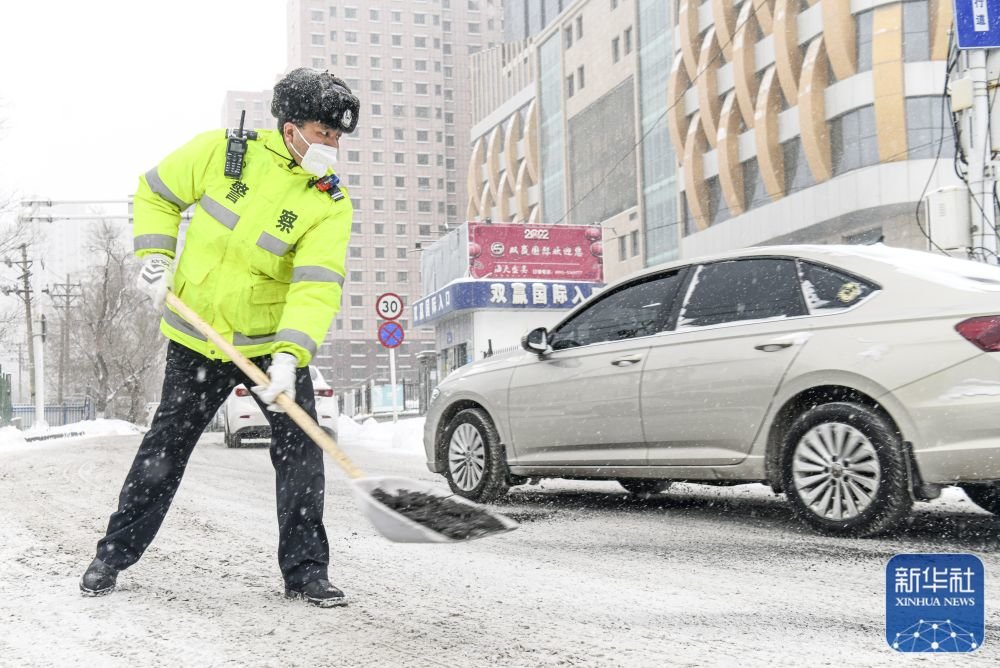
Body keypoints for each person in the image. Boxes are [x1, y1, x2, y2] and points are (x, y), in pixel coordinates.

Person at [80, 68, 358, 608]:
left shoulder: (327, 200)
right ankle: (111, 556)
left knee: (301, 454)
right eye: (325, 133)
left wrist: (289, 356)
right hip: (195, 338)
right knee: (165, 450)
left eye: (338, 137)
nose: (333, 146)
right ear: (292, 124)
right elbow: (155, 192)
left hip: (269, 345)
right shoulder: (220, 153)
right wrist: (155, 255)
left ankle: (305, 573)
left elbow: (316, 285)